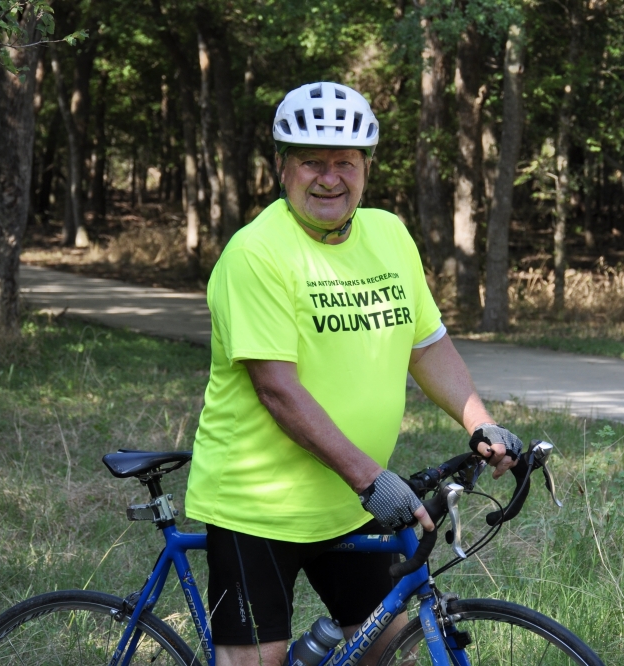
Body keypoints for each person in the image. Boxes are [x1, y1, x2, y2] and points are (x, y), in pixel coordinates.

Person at [185, 81, 524, 666]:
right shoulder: (256, 254)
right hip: (258, 509)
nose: (329, 178)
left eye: (344, 162)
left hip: (352, 506)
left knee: (390, 652)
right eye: (311, 162)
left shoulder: (388, 235)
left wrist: (481, 423)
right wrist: (370, 478)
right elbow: (277, 390)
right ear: (281, 167)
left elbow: (427, 346)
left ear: (367, 167)